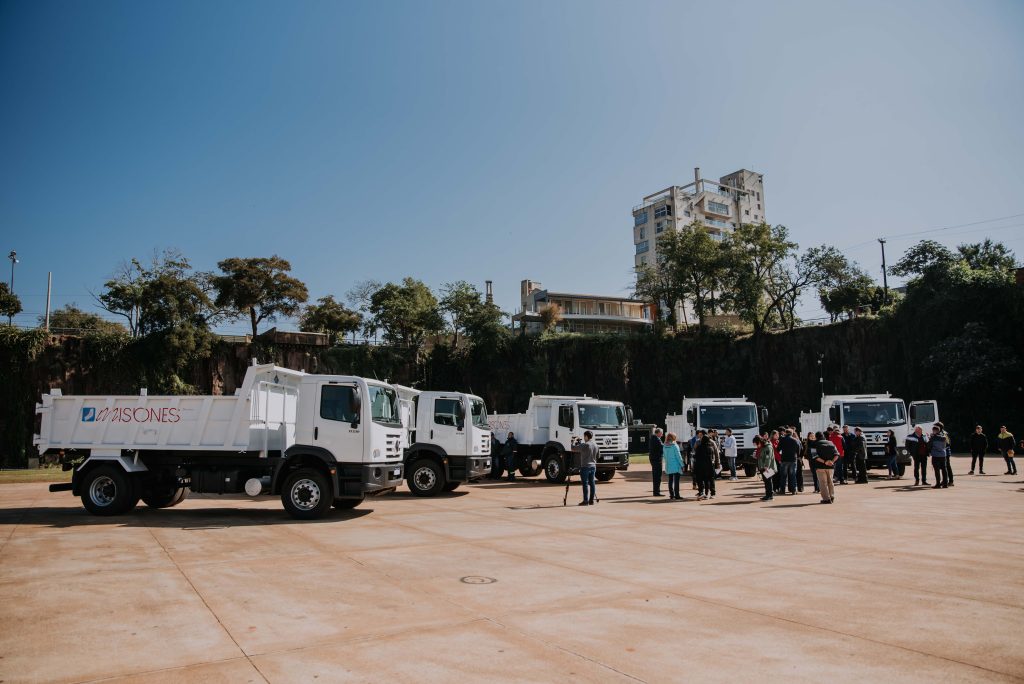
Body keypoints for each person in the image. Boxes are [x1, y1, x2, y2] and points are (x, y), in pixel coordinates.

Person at [813, 431, 837, 503]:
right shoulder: (831, 443)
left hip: (820, 466)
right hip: (831, 466)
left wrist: (824, 462)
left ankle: (826, 499)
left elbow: (815, 456)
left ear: (816, 437)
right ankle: (832, 496)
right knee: (830, 482)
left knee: (823, 483)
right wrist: (832, 461)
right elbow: (837, 454)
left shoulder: (814, 444)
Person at [576, 431, 599, 505]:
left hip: (585, 466)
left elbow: (573, 448)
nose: (584, 438)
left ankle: (585, 501)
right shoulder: (595, 445)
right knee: (592, 483)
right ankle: (591, 500)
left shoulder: (585, 445)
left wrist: (572, 442)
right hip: (593, 466)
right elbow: (598, 455)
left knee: (585, 484)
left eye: (584, 436)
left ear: (586, 436)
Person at [693, 432, 715, 500]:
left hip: (699, 466)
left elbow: (695, 456)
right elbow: (712, 457)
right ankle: (707, 493)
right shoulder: (710, 448)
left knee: (700, 480)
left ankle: (701, 492)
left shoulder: (699, 447)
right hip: (709, 466)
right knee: (707, 480)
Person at [662, 432, 684, 500]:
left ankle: (671, 495)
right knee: (676, 481)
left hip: (669, 465)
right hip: (676, 465)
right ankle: (677, 495)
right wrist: (682, 464)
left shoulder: (664, 445)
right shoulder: (675, 445)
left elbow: (664, 456)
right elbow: (678, 456)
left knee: (670, 480)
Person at [779, 429, 801, 494]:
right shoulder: (795, 440)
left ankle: (782, 490)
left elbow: (778, 449)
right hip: (793, 459)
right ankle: (794, 490)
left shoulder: (782, 439)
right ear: (792, 433)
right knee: (793, 475)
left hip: (784, 459)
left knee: (783, 475)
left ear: (785, 433)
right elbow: (799, 450)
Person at [755, 435, 776, 501]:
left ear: (759, 442)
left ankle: (770, 495)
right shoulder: (763, 447)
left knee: (768, 481)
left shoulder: (768, 447)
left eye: (756, 444)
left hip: (768, 467)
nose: (756, 446)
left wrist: (766, 466)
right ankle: (767, 495)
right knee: (766, 481)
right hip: (763, 467)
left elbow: (768, 458)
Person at [937, 422, 954, 486]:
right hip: (943, 453)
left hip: (945, 453)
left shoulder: (944, 433)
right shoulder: (941, 433)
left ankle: (950, 481)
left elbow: (948, 443)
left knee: (947, 467)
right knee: (944, 467)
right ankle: (945, 480)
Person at [649, 427, 665, 496]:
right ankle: (656, 492)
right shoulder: (656, 439)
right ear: (658, 433)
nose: (662, 435)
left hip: (654, 459)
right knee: (657, 476)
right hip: (657, 460)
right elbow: (662, 447)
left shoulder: (653, 438)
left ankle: (656, 491)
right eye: (661, 433)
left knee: (656, 476)